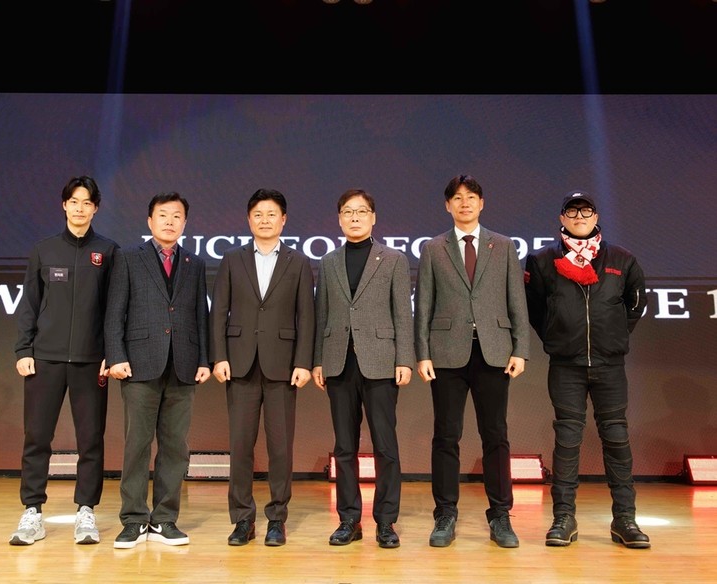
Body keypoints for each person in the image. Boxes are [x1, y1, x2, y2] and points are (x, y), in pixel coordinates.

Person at [524, 190, 651, 549]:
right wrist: (557, 336)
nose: (579, 217)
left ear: (596, 217)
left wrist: (613, 336)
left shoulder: (622, 259)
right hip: (566, 365)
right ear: (562, 218)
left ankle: (625, 519)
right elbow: (535, 309)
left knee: (617, 438)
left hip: (610, 365)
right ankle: (563, 519)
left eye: (586, 211)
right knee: (567, 440)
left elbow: (636, 304)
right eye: (572, 211)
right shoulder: (543, 260)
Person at [414, 174, 529, 549]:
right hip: (446, 353)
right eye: (457, 198)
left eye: (471, 197)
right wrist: (422, 353)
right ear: (447, 205)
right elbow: (424, 304)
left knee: (496, 435)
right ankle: (445, 513)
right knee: (446, 435)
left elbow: (516, 301)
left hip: (494, 351)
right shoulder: (433, 248)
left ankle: (500, 515)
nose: (465, 203)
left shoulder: (504, 246)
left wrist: (520, 348)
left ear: (482, 203)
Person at [10, 175, 119, 546]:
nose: (80, 208)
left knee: (91, 439)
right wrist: (24, 350)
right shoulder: (44, 250)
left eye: (87, 202)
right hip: (45, 359)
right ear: (64, 205)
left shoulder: (108, 251)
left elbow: (114, 309)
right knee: (37, 437)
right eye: (74, 201)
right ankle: (32, 512)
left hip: (92, 361)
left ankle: (86, 511)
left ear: (95, 208)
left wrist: (111, 353)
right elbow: (29, 304)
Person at [104, 191, 211, 549]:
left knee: (175, 447)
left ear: (185, 223)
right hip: (138, 364)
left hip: (183, 364)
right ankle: (134, 519)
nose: (169, 221)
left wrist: (204, 360)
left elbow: (200, 316)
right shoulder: (128, 258)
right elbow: (114, 312)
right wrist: (116, 356)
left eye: (176, 216)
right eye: (163, 215)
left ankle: (165, 519)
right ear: (150, 221)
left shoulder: (194, 264)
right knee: (137, 444)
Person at [210, 188, 315, 547]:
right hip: (239, 364)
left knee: (280, 448)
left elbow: (307, 316)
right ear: (248, 219)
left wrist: (303, 361)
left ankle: (276, 519)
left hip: (283, 366)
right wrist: (219, 356)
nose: (265, 220)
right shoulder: (232, 259)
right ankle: (242, 519)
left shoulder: (298, 262)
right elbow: (218, 312)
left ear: (283, 220)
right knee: (240, 446)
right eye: (258, 214)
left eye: (272, 214)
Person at [312, 188, 415, 549]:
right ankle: (349, 520)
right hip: (339, 362)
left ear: (373, 217)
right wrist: (318, 360)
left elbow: (403, 313)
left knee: (385, 446)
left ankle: (385, 522)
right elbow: (322, 314)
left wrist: (405, 359)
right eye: (347, 212)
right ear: (339, 219)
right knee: (344, 447)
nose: (354, 217)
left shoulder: (394, 259)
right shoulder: (328, 262)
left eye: (361, 211)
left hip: (381, 361)